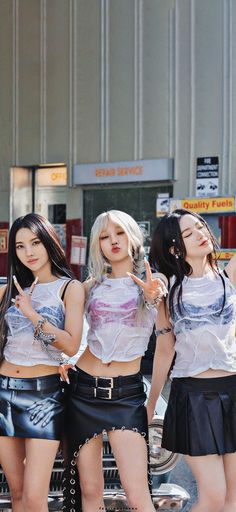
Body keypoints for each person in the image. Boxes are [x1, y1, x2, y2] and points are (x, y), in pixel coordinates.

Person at [62, 209, 167, 512]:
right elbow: (71, 335)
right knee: (91, 493)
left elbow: (163, 336)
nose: (113, 241)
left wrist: (151, 297)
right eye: (105, 237)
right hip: (82, 391)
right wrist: (61, 358)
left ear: (132, 235)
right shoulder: (89, 287)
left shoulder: (153, 282)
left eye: (119, 232)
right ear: (98, 245)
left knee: (137, 496)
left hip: (126, 396)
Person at [147, 208, 236, 512]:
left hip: (232, 390)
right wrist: (150, 406)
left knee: (232, 501)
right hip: (192, 396)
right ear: (175, 248)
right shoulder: (170, 289)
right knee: (213, 497)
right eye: (189, 233)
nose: (200, 234)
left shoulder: (230, 276)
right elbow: (164, 349)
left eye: (200, 227)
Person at [0, 213, 84, 512]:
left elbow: (71, 343)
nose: (29, 252)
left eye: (35, 243)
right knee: (17, 493)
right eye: (20, 246)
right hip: (4, 392)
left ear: (49, 242)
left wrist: (32, 315)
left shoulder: (69, 288)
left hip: (45, 394)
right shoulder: (8, 291)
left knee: (36, 497)